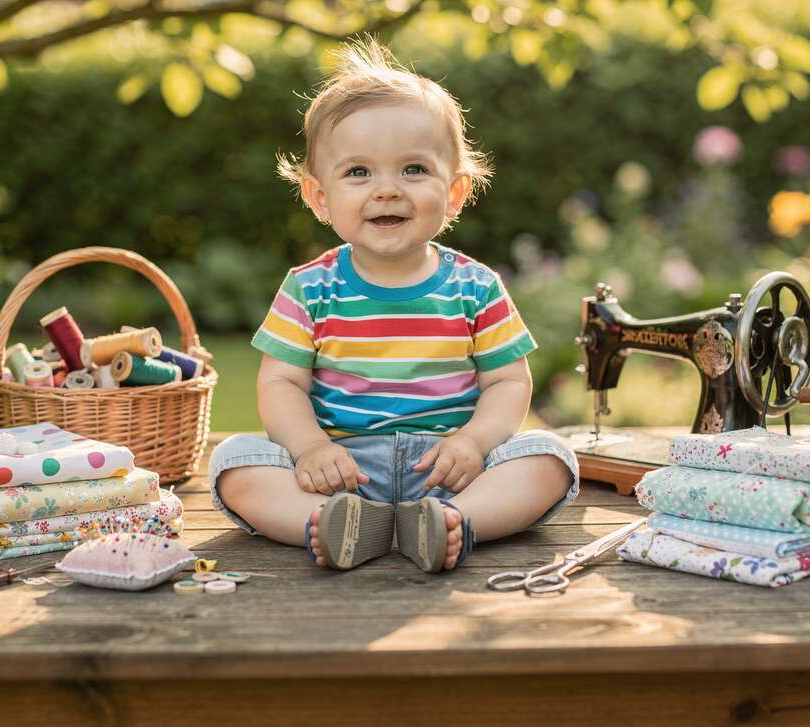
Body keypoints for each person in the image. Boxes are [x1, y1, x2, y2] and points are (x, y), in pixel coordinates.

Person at [209, 39, 578, 573]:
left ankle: (452, 523)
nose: (386, 190)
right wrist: (311, 448)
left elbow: (508, 382)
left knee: (551, 458)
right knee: (236, 463)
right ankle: (328, 523)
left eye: (412, 170)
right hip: (342, 472)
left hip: (449, 473)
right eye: (358, 173)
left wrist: (474, 443)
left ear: (454, 193)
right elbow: (281, 383)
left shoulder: (476, 286)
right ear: (319, 197)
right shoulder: (308, 288)